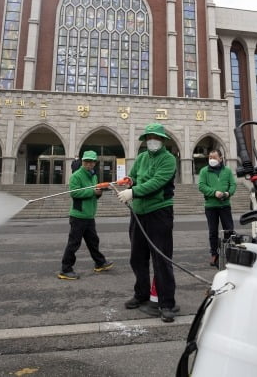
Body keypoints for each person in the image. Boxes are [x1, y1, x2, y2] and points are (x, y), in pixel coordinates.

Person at [116, 123, 178, 323]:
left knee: (161, 258)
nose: (152, 140)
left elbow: (157, 182)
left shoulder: (168, 159)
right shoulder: (142, 158)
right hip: (139, 213)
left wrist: (133, 192)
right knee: (137, 257)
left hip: (159, 212)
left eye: (156, 137)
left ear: (162, 140)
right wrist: (129, 181)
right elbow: (134, 176)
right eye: (149, 137)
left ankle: (166, 302)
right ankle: (141, 293)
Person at [58, 150, 113, 280]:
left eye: (91, 162)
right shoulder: (76, 176)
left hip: (89, 215)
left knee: (93, 241)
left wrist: (99, 193)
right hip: (78, 216)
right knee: (74, 243)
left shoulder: (93, 175)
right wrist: (93, 192)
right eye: (86, 162)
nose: (89, 164)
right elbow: (75, 194)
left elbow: (94, 194)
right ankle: (65, 269)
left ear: (95, 163)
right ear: (82, 162)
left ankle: (100, 263)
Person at [197, 149, 237, 268]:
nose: (212, 160)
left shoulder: (228, 171)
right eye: (210, 157)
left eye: (214, 157)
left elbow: (233, 185)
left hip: (225, 205)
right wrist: (214, 193)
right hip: (211, 206)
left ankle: (230, 253)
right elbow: (201, 186)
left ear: (221, 158)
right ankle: (214, 254)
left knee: (229, 230)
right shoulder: (204, 171)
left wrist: (227, 194)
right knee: (213, 231)